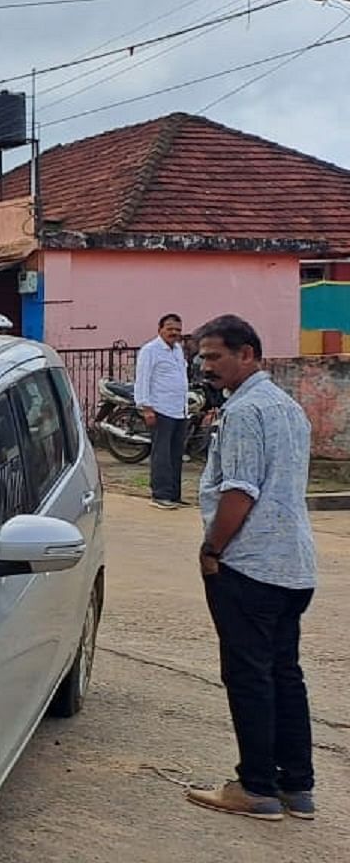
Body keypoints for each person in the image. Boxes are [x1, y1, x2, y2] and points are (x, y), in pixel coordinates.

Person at [185, 314, 318, 822]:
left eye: (215, 356)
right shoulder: (288, 408)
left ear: (248, 354)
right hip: (294, 565)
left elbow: (240, 492)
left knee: (250, 676)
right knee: (285, 673)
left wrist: (212, 550)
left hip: (251, 565)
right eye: (202, 357)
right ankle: (297, 787)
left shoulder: (244, 412)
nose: (206, 366)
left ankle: (256, 787)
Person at [136, 314, 190, 510]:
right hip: (160, 409)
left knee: (176, 454)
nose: (174, 333)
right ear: (160, 329)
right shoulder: (150, 350)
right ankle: (160, 494)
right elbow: (142, 379)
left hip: (179, 410)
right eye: (170, 329)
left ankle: (174, 495)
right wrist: (146, 408)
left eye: (177, 329)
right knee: (162, 454)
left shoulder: (177, 350)